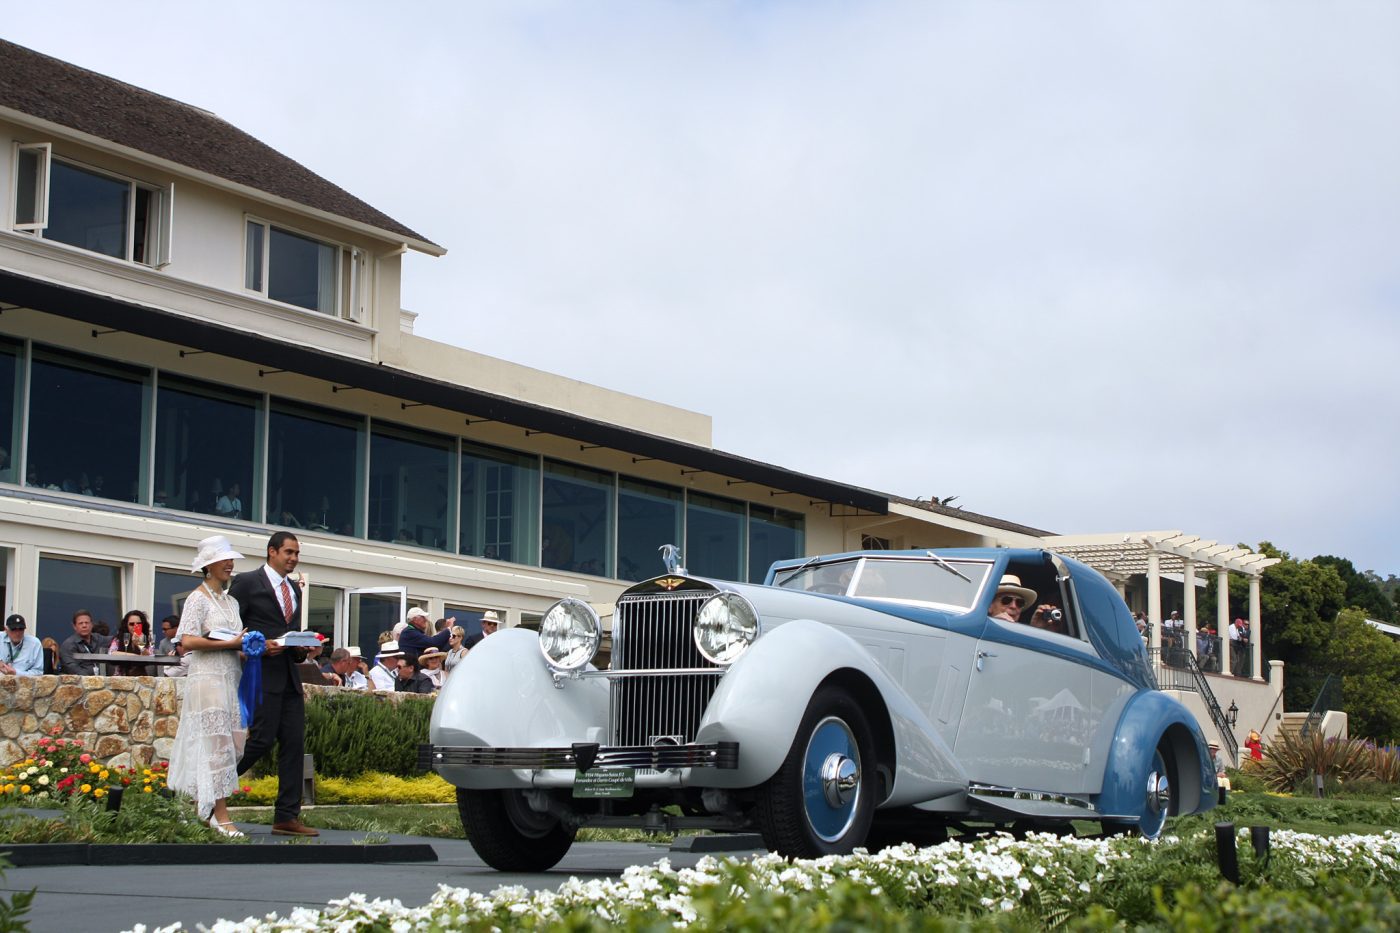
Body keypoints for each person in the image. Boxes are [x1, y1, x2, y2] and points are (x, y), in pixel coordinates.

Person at [230, 531, 317, 837]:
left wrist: (302, 647)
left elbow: (289, 633)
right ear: (271, 552)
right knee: (260, 742)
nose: (293, 558)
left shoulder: (295, 590)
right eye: (288, 552)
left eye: (296, 553)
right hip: (260, 675)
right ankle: (211, 792)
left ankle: (286, 816)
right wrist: (255, 646)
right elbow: (229, 628)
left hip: (290, 678)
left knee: (294, 744)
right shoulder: (246, 583)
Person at [167, 535, 248, 837]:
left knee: (232, 742)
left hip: (231, 675)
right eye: (224, 560)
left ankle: (205, 809)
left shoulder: (232, 601)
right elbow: (186, 640)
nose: (230, 564)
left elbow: (235, 640)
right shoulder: (196, 599)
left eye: (231, 560)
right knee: (217, 745)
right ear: (209, 566)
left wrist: (248, 646)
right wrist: (230, 642)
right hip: (207, 676)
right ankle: (221, 815)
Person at [109, 609, 155, 676]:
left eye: (138, 624)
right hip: (121, 676)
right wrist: (133, 656)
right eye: (131, 624)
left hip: (140, 677)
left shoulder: (148, 639)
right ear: (126, 625)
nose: (135, 626)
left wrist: (140, 645)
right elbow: (111, 653)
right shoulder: (119, 638)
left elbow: (150, 656)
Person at [59, 609, 105, 676]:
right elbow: (73, 668)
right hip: (77, 684)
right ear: (74, 626)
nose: (84, 625)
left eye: (87, 623)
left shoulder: (98, 639)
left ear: (92, 624)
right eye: (81, 623)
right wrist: (91, 680)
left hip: (100, 682)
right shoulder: (67, 645)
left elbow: (115, 639)